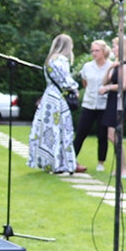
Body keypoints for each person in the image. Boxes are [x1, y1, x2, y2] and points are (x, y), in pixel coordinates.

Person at [27, 33, 84, 175]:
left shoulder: (49, 60)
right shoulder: (61, 60)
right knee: (62, 130)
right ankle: (61, 164)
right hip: (59, 99)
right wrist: (75, 89)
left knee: (48, 130)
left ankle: (48, 162)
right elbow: (66, 80)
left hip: (49, 97)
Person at [72, 39, 112, 172]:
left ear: (104, 51)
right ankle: (71, 158)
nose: (94, 53)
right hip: (88, 104)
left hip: (103, 105)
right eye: (92, 50)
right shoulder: (87, 66)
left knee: (102, 135)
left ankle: (101, 162)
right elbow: (85, 82)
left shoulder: (110, 66)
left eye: (97, 50)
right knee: (80, 133)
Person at [99, 34, 126, 179]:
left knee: (115, 135)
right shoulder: (116, 64)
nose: (113, 48)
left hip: (119, 101)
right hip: (112, 101)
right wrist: (110, 69)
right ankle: (120, 167)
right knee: (111, 135)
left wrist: (108, 89)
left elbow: (125, 85)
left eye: (115, 46)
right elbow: (104, 81)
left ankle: (124, 168)